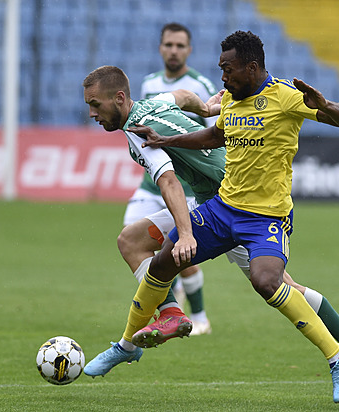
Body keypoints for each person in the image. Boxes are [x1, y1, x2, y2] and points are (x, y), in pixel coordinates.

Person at [82, 63, 339, 401]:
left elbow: (168, 183)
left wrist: (186, 233)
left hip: (235, 202)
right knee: (131, 241)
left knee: (279, 286)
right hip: (214, 201)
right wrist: (208, 107)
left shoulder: (139, 133)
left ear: (119, 98)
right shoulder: (152, 102)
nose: (91, 112)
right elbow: (182, 96)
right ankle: (148, 329)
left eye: (95, 104)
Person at [126, 22, 219, 336]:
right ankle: (169, 306)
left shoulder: (201, 85)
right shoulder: (150, 84)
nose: (174, 50)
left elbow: (216, 133)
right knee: (130, 238)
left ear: (189, 50)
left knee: (182, 249)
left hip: (188, 185)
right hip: (151, 183)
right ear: (160, 47)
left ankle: (199, 315)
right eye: (169, 45)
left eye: (180, 45)